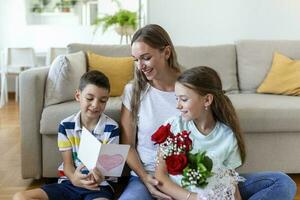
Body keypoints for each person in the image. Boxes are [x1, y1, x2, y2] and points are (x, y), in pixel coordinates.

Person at [119, 23, 296, 200]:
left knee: (281, 183)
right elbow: (128, 146)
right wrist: (145, 178)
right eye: (136, 60)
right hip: (151, 178)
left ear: (166, 52)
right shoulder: (133, 92)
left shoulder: (193, 84)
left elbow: (218, 137)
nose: (140, 66)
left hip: (201, 179)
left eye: (146, 58)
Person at [13, 70, 119, 200]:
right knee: (20, 197)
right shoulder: (66, 125)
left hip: (98, 187)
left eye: (102, 100)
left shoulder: (111, 128)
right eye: (90, 98)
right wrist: (74, 179)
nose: (95, 105)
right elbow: (67, 164)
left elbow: (109, 170)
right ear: (78, 96)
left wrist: (99, 176)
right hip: (69, 183)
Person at [154, 66, 245, 200]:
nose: (178, 106)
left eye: (184, 99)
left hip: (212, 196)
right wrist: (194, 198)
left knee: (280, 182)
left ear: (207, 100)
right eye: (177, 99)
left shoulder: (228, 137)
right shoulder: (173, 127)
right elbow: (160, 176)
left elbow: (231, 183)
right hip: (177, 197)